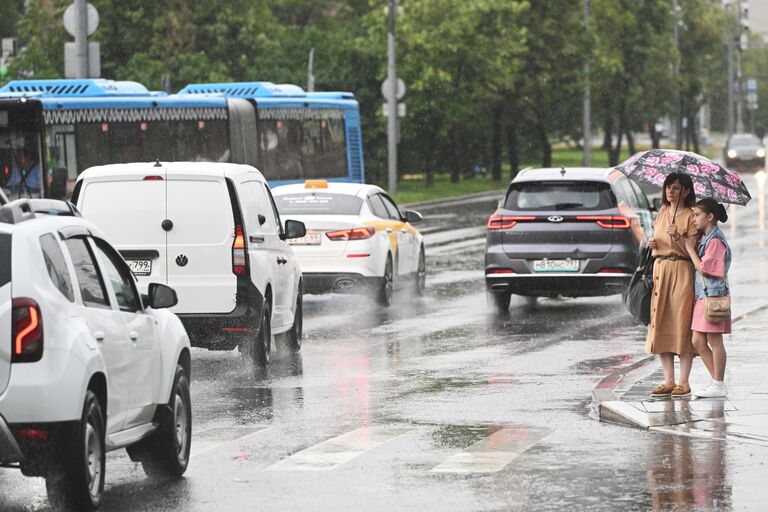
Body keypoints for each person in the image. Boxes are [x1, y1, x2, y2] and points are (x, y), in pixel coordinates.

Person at [647, 172, 698, 399]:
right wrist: (653, 243)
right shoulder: (662, 212)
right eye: (668, 187)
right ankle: (668, 380)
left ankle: (683, 382)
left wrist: (678, 237)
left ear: (686, 191)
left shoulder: (691, 216)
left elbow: (692, 250)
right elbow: (658, 240)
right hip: (661, 270)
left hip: (681, 271)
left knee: (681, 323)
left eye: (676, 188)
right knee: (661, 323)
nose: (671, 191)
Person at [684, 198, 732, 398]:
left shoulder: (715, 240)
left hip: (713, 297)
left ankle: (718, 384)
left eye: (697, 215)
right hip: (704, 296)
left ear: (710, 217)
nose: (694, 219)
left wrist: (689, 250)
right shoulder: (707, 238)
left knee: (714, 339)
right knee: (697, 340)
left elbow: (706, 269)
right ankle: (717, 382)